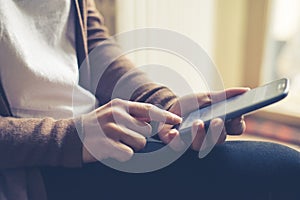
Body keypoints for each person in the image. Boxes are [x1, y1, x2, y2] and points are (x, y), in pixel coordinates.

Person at [0, 0, 299, 200]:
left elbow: (89, 40)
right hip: (32, 168)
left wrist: (161, 104)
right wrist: (68, 137)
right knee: (281, 171)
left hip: (97, 135)